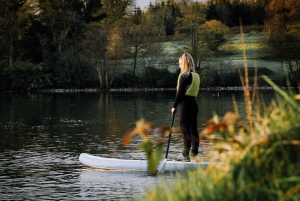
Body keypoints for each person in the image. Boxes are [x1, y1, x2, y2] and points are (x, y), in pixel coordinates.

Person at [171, 53, 200, 162]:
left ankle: (185, 156)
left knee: (185, 130)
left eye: (180, 63)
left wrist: (174, 106)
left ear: (184, 63)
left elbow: (180, 93)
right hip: (194, 104)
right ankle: (194, 153)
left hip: (185, 104)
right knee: (194, 129)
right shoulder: (196, 75)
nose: (179, 66)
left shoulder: (185, 75)